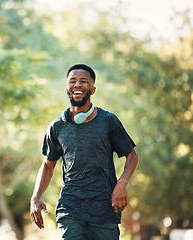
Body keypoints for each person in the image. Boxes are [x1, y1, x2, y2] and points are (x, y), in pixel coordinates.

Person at [30, 64, 138, 239]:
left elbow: (132, 156)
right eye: (73, 81)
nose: (77, 85)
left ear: (93, 90)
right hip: (70, 208)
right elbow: (48, 166)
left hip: (104, 209)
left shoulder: (108, 121)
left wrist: (122, 182)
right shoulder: (57, 127)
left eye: (83, 81)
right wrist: (35, 196)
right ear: (67, 88)